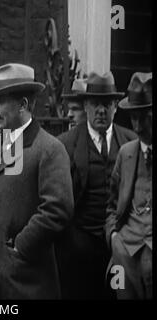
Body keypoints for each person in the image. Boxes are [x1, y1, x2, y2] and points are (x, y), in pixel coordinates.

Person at [0, 63, 74, 299]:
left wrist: (20, 247)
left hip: (22, 279)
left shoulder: (49, 149)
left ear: (23, 105)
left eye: (1, 100)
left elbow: (58, 209)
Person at [56, 71, 137, 299]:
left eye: (107, 104)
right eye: (95, 104)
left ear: (115, 107)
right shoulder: (66, 144)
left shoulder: (130, 142)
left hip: (119, 247)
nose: (101, 110)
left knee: (116, 293)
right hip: (79, 246)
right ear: (86, 106)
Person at [105, 72, 152, 299]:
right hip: (125, 256)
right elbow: (112, 206)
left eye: (146, 117)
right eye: (134, 117)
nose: (139, 126)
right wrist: (114, 237)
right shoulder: (126, 154)